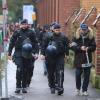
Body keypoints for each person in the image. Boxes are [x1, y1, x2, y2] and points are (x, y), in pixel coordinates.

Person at [8, 19, 39, 93]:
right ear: (20, 25)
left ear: (27, 24)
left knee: (25, 70)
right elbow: (12, 42)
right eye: (22, 24)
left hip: (28, 53)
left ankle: (24, 86)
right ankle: (18, 86)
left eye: (25, 24)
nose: (24, 25)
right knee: (19, 69)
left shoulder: (31, 32)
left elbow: (35, 43)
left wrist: (36, 53)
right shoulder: (17, 32)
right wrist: (9, 53)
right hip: (18, 52)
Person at [41, 23, 69, 95]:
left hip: (60, 56)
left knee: (60, 72)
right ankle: (52, 86)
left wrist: (67, 54)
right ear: (53, 30)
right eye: (56, 30)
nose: (57, 31)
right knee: (51, 73)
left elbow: (67, 46)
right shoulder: (48, 36)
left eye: (58, 30)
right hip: (50, 57)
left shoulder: (63, 37)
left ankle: (60, 87)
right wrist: (42, 54)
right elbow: (43, 45)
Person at [70, 23, 96, 96]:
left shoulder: (91, 37)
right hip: (78, 59)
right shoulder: (76, 36)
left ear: (87, 29)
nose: (84, 31)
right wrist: (80, 48)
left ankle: (84, 90)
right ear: (80, 29)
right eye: (82, 29)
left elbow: (94, 47)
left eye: (85, 30)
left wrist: (88, 48)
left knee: (87, 75)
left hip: (87, 59)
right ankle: (78, 89)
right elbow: (72, 47)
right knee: (78, 74)